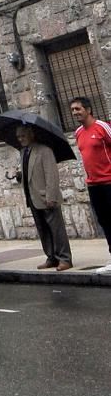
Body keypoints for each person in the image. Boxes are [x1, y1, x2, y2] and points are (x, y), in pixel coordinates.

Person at [12, 125, 72, 271]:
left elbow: (51, 175)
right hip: (32, 198)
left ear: (31, 135)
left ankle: (64, 258)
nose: (20, 139)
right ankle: (51, 257)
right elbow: (29, 174)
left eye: (23, 136)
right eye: (18, 137)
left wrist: (51, 196)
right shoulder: (23, 152)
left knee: (56, 230)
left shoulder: (44, 150)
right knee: (43, 230)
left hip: (46, 197)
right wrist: (20, 176)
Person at [71, 96, 111, 274]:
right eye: (72, 110)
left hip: (109, 181)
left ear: (88, 109)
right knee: (105, 222)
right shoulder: (78, 132)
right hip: (94, 185)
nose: (75, 113)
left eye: (78, 109)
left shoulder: (102, 127)